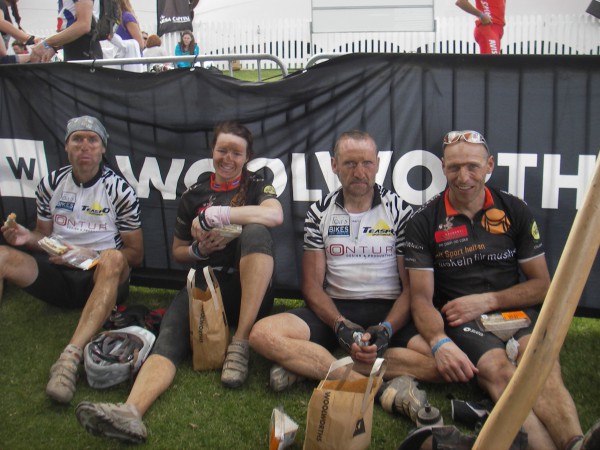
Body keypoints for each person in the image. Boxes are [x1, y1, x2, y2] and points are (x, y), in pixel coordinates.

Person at [75, 121, 284, 444]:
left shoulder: (257, 183)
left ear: (247, 157)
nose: (228, 158)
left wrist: (216, 215)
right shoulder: (194, 193)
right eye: (222, 150)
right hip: (206, 283)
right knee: (169, 337)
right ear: (212, 151)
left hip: (251, 292)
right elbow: (178, 252)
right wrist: (199, 250)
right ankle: (131, 412)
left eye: (236, 153)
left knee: (257, 231)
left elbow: (274, 216)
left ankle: (240, 342)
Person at [404, 130, 600, 449]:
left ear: (490, 165)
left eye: (472, 166)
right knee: (498, 371)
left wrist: (487, 300)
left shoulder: (514, 209)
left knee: (541, 367)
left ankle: (575, 442)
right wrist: (439, 342)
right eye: (454, 167)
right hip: (463, 321)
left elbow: (541, 285)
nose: (463, 177)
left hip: (513, 310)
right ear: (442, 167)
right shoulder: (424, 221)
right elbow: (421, 299)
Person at [249, 130, 441, 423]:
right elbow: (312, 286)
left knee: (442, 361)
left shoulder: (400, 211)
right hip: (336, 311)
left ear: (378, 165)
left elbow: (410, 288)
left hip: (389, 311)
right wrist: (339, 325)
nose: (359, 172)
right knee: (262, 334)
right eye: (350, 163)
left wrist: (387, 329)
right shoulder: (319, 212)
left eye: (367, 163)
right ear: (334, 165)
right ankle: (370, 384)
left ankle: (314, 365)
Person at [0, 115, 143, 404]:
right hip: (59, 273)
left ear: (103, 148)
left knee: (114, 258)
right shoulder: (51, 183)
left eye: (92, 140)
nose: (84, 146)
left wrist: (91, 256)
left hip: (101, 277)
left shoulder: (119, 190)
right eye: (77, 139)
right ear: (66, 146)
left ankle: (69, 358)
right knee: (2, 255)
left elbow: (135, 255)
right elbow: (43, 238)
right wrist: (27, 238)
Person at [30, 0, 101, 63]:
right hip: (74, 50)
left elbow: (83, 25)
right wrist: (54, 47)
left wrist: (46, 43)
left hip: (85, 52)